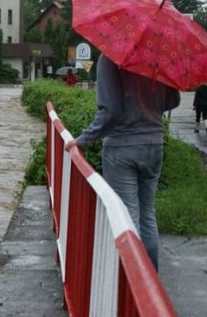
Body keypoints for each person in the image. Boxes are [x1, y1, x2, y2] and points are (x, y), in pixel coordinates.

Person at [64, 54, 180, 271]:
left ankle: (132, 291)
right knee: (147, 215)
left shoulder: (111, 58)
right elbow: (174, 100)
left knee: (127, 219)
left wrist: (82, 140)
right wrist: (147, 107)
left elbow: (111, 112)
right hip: (154, 145)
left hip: (121, 147)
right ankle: (150, 281)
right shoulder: (157, 56)